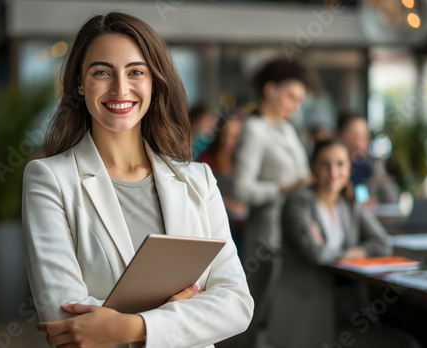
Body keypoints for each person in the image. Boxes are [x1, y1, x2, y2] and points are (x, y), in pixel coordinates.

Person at [21, 12, 253, 348]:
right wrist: (178, 319)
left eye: (136, 72)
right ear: (80, 84)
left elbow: (237, 304)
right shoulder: (49, 179)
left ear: (154, 81)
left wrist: (136, 328)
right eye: (102, 72)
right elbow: (66, 320)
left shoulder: (197, 179)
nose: (120, 88)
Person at [265, 139, 391, 347]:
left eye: (340, 164)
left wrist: (342, 252)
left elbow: (383, 243)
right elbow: (314, 253)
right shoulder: (298, 201)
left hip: (346, 304)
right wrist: (350, 252)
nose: (333, 172)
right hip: (306, 305)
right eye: (325, 164)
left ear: (349, 168)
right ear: (313, 166)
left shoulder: (350, 204)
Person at [233, 58, 317, 346]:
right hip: (266, 235)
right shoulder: (254, 129)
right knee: (258, 311)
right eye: (291, 96)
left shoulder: (288, 129)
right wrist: (284, 187)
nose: (295, 105)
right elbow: (242, 189)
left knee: (283, 312)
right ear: (270, 89)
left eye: (300, 100)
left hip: (294, 231)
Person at [198, 113, 248, 256]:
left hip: (243, 224)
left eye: (234, 136)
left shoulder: (243, 159)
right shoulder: (206, 158)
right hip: (217, 221)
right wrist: (230, 204)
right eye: (225, 134)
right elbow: (202, 192)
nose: (228, 141)